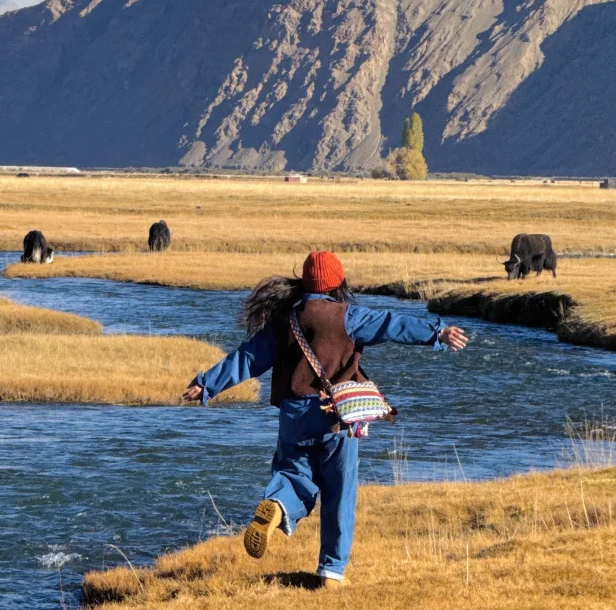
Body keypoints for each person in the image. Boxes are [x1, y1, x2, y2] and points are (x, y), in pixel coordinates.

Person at [181, 250, 468, 585]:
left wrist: (206, 384)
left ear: (305, 281)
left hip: (293, 414)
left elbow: (247, 358)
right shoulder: (348, 317)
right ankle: (331, 571)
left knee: (292, 474)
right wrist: (438, 332)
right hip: (337, 416)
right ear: (337, 282)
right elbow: (391, 323)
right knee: (339, 492)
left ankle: (277, 505)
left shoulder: (285, 320)